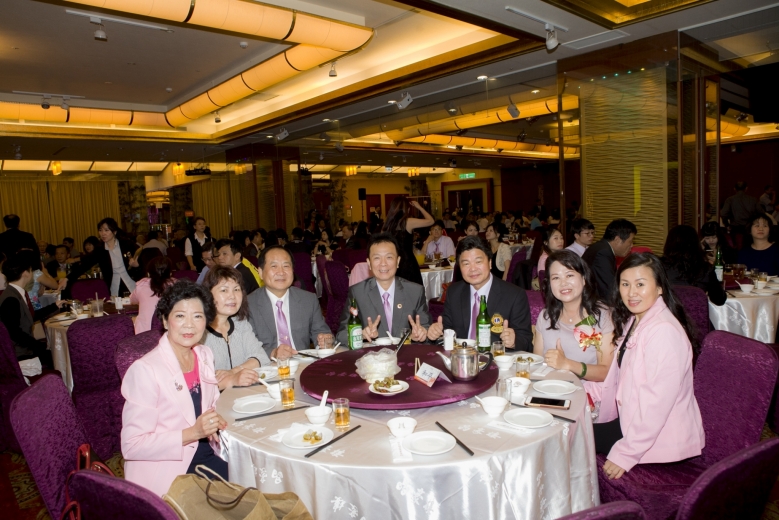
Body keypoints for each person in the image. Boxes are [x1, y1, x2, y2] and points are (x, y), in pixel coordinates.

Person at [592, 253, 704, 480]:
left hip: (660, 437)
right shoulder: (636, 319)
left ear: (660, 287)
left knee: (573, 437)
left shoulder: (663, 331)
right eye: (625, 284)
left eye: (640, 284)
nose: (631, 292)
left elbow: (656, 403)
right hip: (631, 419)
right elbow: (619, 378)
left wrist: (625, 453)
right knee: (573, 425)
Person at [121, 280, 227, 497]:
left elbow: (211, 403)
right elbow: (132, 446)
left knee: (256, 480)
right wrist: (193, 432)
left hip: (206, 452)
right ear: (165, 321)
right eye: (180, 316)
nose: (189, 325)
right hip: (168, 469)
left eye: (197, 316)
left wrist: (216, 419)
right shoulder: (145, 370)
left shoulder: (204, 354)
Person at [427, 237, 533, 351]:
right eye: (466, 264)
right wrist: (436, 331)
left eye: (478, 262)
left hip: (496, 358)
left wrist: (514, 341)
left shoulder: (514, 295)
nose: (473, 269)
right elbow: (447, 328)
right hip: (462, 357)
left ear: (490, 263)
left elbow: (526, 341)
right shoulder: (454, 292)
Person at [336, 233, 431, 345]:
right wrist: (360, 334)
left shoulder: (415, 291)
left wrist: (421, 333)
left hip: (406, 354)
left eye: (389, 257)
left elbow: (426, 328)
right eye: (377, 258)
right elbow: (341, 334)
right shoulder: (358, 292)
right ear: (369, 263)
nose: (383, 264)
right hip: (372, 355)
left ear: (398, 261)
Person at [534, 250, 615, 382]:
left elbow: (606, 372)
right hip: (550, 387)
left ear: (583, 279)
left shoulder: (603, 316)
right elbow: (537, 364)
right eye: (556, 278)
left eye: (569, 275)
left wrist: (567, 364)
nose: (563, 283)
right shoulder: (546, 316)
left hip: (587, 391)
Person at [247, 245, 333, 360]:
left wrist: (324, 340)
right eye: (274, 266)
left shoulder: (308, 300)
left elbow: (321, 331)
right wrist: (273, 353)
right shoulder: (248, 305)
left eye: (286, 266)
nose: (281, 272)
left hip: (303, 364)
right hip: (268, 366)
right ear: (261, 272)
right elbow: (247, 346)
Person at [202, 266, 271, 390]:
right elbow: (197, 385)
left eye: (236, 289)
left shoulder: (240, 323)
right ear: (208, 294)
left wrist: (233, 372)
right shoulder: (199, 333)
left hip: (245, 394)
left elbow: (261, 358)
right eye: (224, 290)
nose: (232, 296)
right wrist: (232, 379)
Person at [0, 252, 68, 365]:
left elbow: (28, 316)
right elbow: (15, 333)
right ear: (26, 273)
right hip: (20, 354)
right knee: (60, 356)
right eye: (31, 270)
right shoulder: (11, 299)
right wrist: (39, 346)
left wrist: (54, 305)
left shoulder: (14, 292)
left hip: (23, 348)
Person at [66, 218, 140, 297]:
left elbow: (142, 257)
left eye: (106, 230)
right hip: (114, 287)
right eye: (100, 230)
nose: (103, 233)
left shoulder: (126, 244)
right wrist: (67, 278)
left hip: (133, 284)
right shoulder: (100, 250)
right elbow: (84, 265)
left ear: (114, 232)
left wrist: (137, 265)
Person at [662, 225, 726, 306]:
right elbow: (719, 300)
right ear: (696, 244)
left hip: (665, 312)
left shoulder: (658, 266)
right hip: (696, 313)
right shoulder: (705, 268)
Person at [382, 197, 434, 286]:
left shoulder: (387, 225)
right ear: (406, 209)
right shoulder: (407, 222)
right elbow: (431, 221)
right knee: (412, 290)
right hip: (407, 262)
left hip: (392, 262)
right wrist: (419, 207)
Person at [582, 219, 637, 299]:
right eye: (630, 241)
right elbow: (609, 290)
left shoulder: (601, 247)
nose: (631, 245)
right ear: (617, 240)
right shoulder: (603, 253)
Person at [130, 256, 176, 334]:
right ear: (170, 273)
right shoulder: (177, 286)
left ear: (148, 273)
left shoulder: (141, 285)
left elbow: (132, 300)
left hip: (143, 334)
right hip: (170, 332)